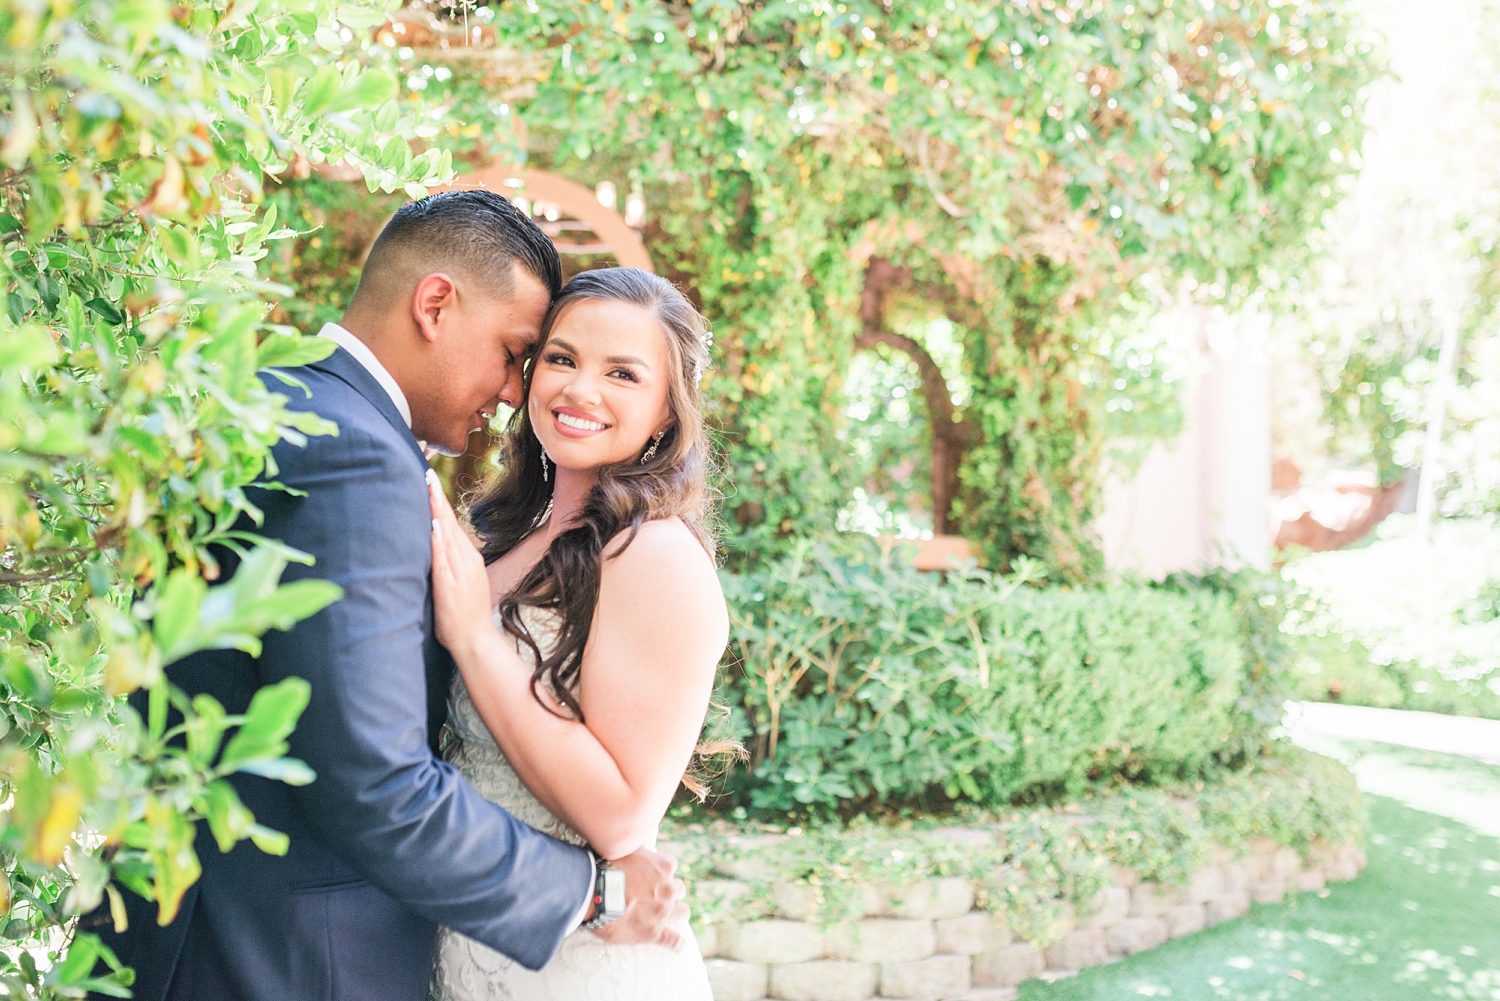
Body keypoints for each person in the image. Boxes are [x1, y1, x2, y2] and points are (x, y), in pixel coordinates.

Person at [90, 192, 685, 1001]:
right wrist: (589, 892)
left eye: (621, 372)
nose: (516, 390)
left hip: (207, 926)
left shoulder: (275, 403)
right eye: (525, 353)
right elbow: (374, 780)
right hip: (280, 955)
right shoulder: (361, 461)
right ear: (436, 303)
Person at [425, 267, 728, 1000]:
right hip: (471, 935)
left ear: (664, 410)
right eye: (562, 358)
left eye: (622, 373)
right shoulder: (511, 531)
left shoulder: (653, 554)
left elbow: (623, 811)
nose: (580, 390)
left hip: (578, 959)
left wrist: (472, 636)